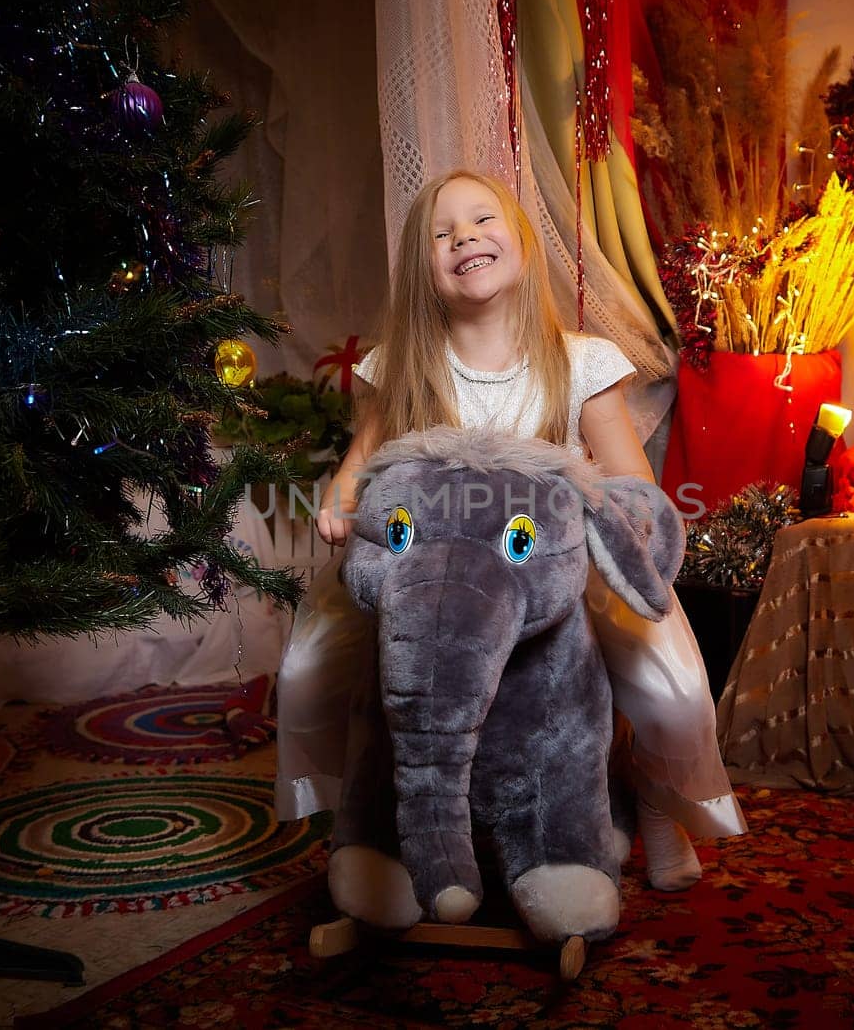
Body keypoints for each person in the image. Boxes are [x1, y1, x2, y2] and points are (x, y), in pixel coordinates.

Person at [275, 168, 746, 891]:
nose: (464, 235)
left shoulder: (579, 361)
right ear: (424, 272)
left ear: (522, 243)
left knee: (675, 689)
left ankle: (652, 795)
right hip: (438, 579)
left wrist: (612, 524)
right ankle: (379, 827)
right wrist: (341, 506)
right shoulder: (402, 365)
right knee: (309, 668)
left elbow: (631, 481)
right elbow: (356, 467)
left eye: (482, 220)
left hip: (549, 568)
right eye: (442, 232)